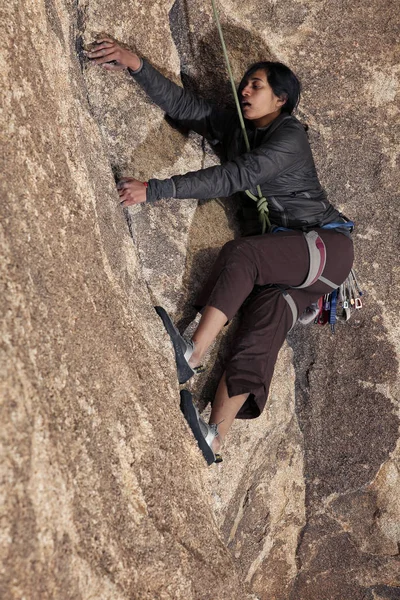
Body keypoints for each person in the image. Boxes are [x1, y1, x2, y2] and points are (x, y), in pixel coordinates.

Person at [87, 38, 354, 465]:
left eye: (256, 85)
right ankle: (214, 436)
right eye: (246, 84)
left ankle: (190, 353)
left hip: (325, 248)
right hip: (300, 267)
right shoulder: (239, 130)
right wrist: (135, 64)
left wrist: (156, 190)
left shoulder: (290, 138)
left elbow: (235, 176)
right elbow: (188, 107)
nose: (244, 90)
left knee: (243, 255)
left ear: (280, 99)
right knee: (258, 338)